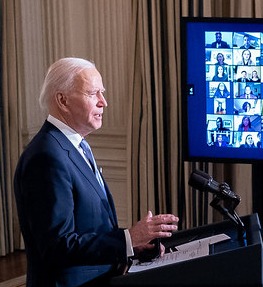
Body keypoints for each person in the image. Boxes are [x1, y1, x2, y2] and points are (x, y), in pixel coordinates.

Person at [13, 57, 179, 287]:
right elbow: (57, 246)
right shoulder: (46, 157)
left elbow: (89, 229)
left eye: (102, 92)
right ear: (63, 100)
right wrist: (128, 238)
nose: (104, 102)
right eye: (93, 94)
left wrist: (132, 245)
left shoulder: (76, 145)